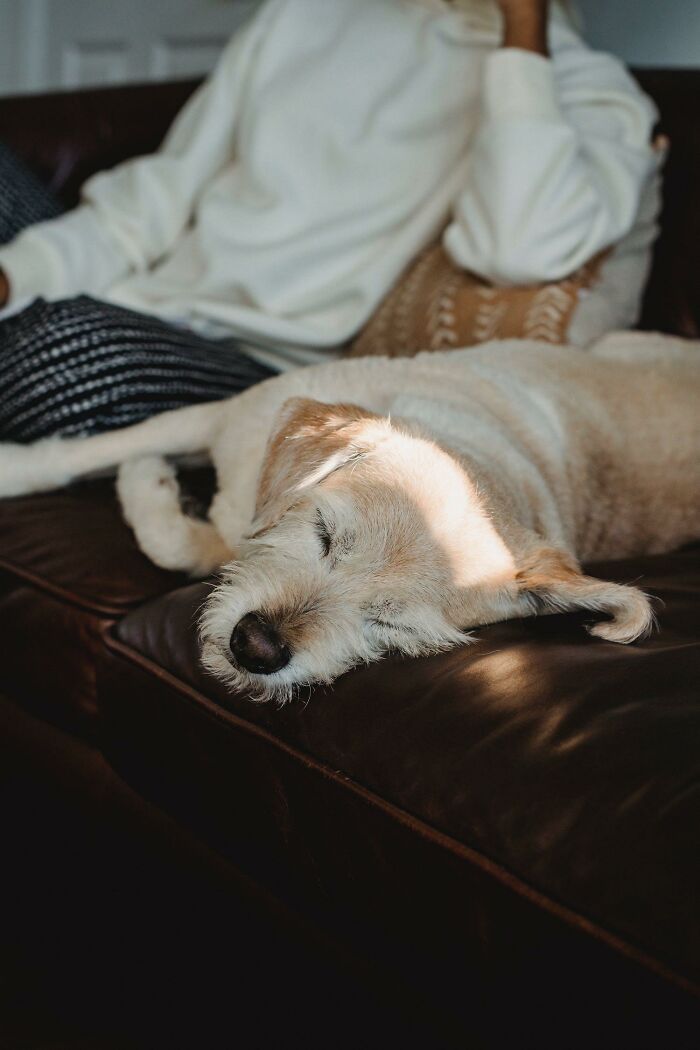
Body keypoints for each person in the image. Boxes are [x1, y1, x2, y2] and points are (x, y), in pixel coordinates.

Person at [0, 0, 663, 441]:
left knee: (52, 354)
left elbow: (521, 248)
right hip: (132, 300)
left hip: (256, 365)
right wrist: (17, 271)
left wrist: (523, 40)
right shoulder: (305, 11)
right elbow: (152, 201)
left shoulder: (583, 90)